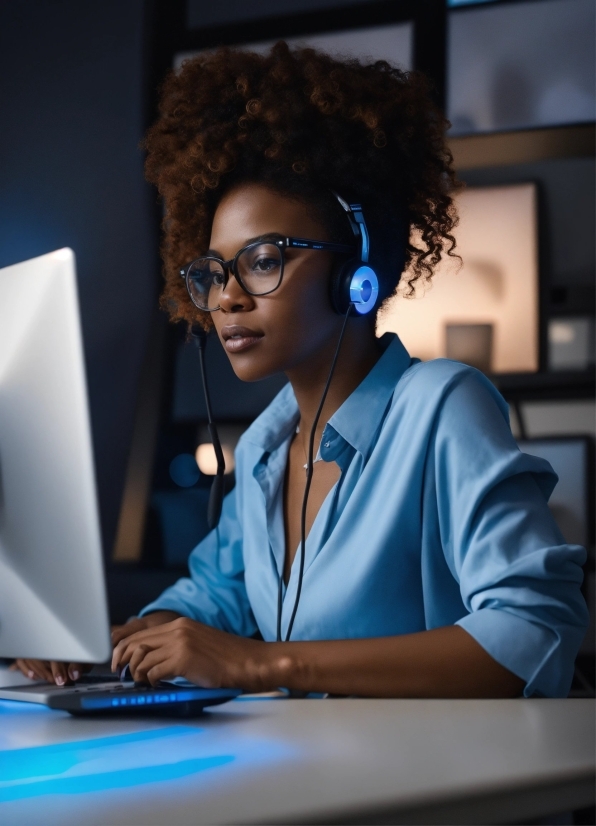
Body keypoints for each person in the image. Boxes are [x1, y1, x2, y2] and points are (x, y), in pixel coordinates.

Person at [15, 43, 588, 697]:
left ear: (355, 272)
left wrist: (266, 663)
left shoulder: (441, 406)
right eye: (212, 272)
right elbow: (212, 600)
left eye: (263, 260)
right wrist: (105, 646)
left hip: (434, 788)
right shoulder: (264, 447)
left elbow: (534, 630)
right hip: (314, 782)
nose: (227, 297)